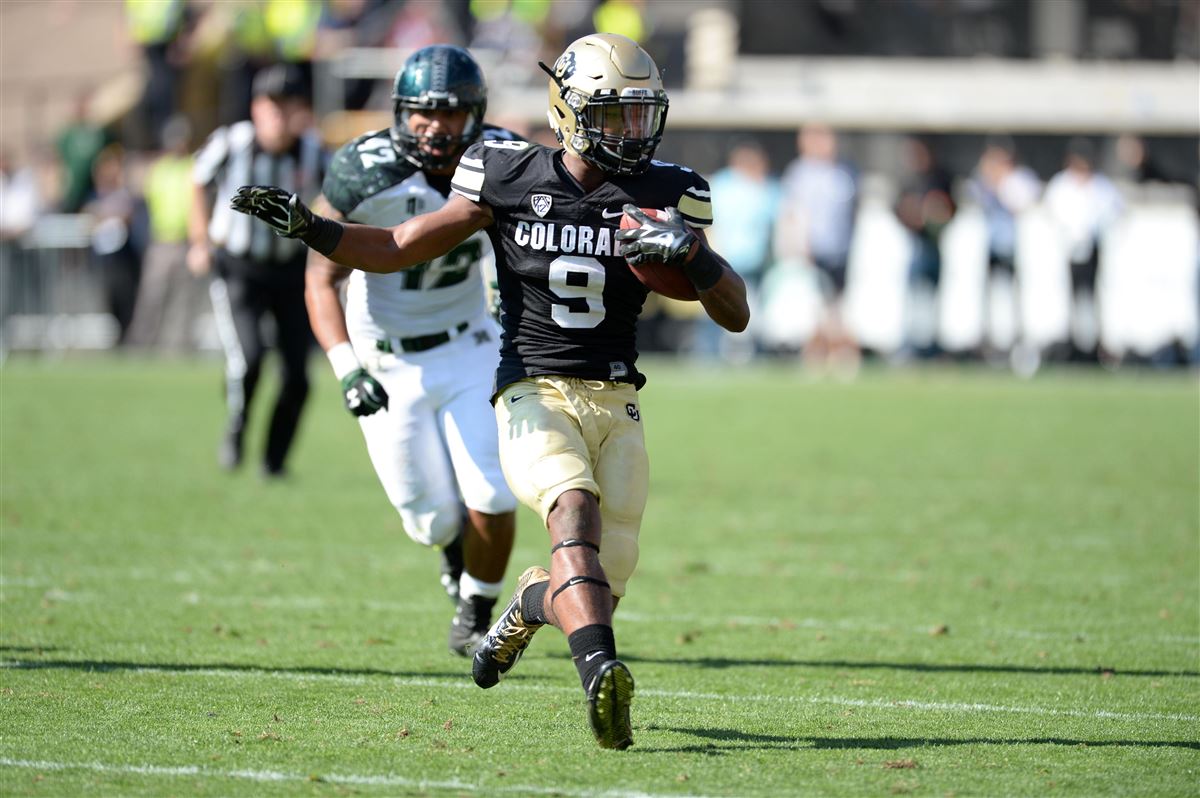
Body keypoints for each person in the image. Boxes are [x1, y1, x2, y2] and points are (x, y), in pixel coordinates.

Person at [230, 33, 749, 750]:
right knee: (573, 518)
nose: (630, 133)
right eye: (612, 116)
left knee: (598, 581)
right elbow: (402, 243)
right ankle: (601, 677)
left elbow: (735, 312)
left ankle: (527, 606)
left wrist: (696, 256)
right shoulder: (507, 172)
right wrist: (315, 229)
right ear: (568, 113)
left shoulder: (670, 188)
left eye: (639, 115)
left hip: (619, 398)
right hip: (530, 387)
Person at [304, 45, 521, 658]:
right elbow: (320, 279)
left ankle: (477, 608)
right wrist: (346, 366)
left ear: (474, 113)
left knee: (495, 493)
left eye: (449, 112)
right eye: (421, 112)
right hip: (387, 357)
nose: (434, 125)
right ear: (401, 111)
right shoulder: (362, 169)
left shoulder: (502, 159)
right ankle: (453, 553)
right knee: (428, 520)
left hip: (469, 343)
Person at [190, 64, 327, 478]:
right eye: (272, 106)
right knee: (249, 360)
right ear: (256, 108)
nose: (280, 116)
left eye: (288, 106)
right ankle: (237, 426)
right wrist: (199, 241)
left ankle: (275, 461)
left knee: (299, 377)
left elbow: (337, 198)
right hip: (239, 267)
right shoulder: (232, 143)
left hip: (289, 271)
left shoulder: (313, 150)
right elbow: (195, 180)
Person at [776, 123, 859, 372]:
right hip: (812, 250)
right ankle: (818, 352)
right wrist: (799, 244)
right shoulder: (799, 173)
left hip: (840, 248)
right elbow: (793, 214)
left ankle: (839, 352)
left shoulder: (844, 172)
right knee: (816, 304)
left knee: (836, 303)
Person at [1043, 138, 1124, 363]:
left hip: (1093, 249)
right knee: (1070, 298)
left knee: (1093, 297)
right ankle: (1072, 345)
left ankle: (1093, 348)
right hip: (1068, 250)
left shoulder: (1100, 186)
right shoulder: (1062, 186)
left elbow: (1115, 211)